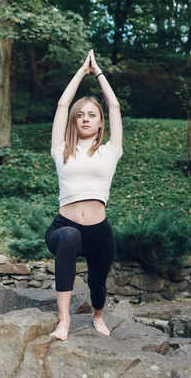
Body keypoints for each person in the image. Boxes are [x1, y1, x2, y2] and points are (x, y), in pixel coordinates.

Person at [45, 50, 123, 340]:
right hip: (63, 228)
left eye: (92, 115)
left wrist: (99, 72)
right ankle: (63, 322)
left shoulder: (110, 151)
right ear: (74, 121)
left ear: (100, 122)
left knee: (98, 285)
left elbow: (113, 105)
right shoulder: (60, 149)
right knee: (69, 237)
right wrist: (81, 71)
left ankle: (98, 315)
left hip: (99, 232)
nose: (86, 119)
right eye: (81, 115)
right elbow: (63, 103)